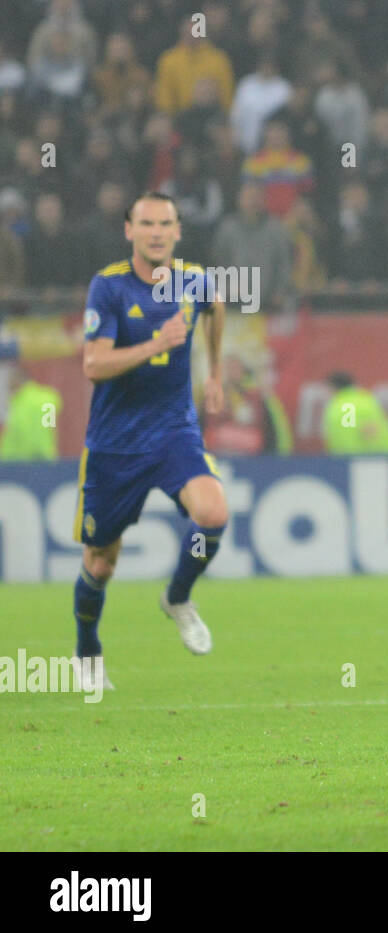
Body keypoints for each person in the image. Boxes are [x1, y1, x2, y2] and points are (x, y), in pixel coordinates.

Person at [77, 191, 229, 691]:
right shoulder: (110, 288)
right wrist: (155, 345)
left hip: (172, 430)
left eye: (166, 223)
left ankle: (178, 597)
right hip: (115, 443)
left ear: (178, 231)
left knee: (213, 512)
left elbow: (217, 305)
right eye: (147, 224)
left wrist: (214, 373)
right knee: (101, 563)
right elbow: (94, 365)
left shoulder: (193, 280)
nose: (157, 232)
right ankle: (88, 651)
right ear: (130, 231)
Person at [321, 371, 388, 455]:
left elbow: (347, 435)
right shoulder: (366, 399)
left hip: (358, 459)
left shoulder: (341, 407)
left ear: (332, 387)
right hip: (385, 456)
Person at [0, 366, 62, 460]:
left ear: (16, 381)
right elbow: (52, 427)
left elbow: (20, 429)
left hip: (16, 458)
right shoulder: (49, 397)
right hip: (45, 455)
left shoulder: (18, 402)